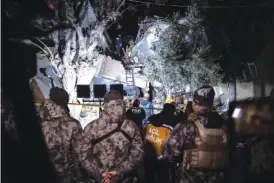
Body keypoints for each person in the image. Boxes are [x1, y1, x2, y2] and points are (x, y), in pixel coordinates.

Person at [161, 85, 229, 183]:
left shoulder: (187, 126)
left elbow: (168, 153)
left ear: (195, 102)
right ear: (211, 102)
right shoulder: (225, 126)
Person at [83, 90, 144, 183]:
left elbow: (83, 155)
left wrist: (100, 173)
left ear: (105, 104)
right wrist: (119, 171)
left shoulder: (90, 127)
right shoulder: (131, 126)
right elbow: (138, 154)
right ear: (122, 103)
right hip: (124, 178)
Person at [39, 88, 86, 183]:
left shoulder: (36, 121)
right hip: (66, 176)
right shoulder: (73, 125)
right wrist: (80, 177)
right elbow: (79, 154)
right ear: (66, 102)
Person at [143, 103, 177, 183]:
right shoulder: (172, 124)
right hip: (163, 158)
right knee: (164, 178)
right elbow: (174, 143)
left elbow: (143, 133)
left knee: (149, 177)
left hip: (148, 154)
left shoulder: (150, 119)